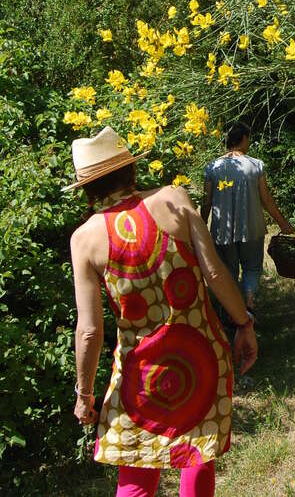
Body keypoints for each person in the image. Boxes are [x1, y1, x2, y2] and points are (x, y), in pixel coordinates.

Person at [66, 125, 257, 497]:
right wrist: (244, 324)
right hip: (201, 357)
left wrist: (84, 394)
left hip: (141, 376)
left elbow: (89, 331)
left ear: (87, 191)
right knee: (197, 454)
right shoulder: (175, 199)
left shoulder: (84, 239)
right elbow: (215, 272)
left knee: (137, 476)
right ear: (131, 170)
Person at [201, 122, 294, 313]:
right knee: (252, 267)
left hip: (222, 231)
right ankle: (249, 300)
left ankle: (232, 311)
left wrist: (201, 225)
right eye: (248, 138)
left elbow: (207, 202)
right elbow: (266, 200)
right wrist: (283, 224)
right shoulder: (255, 165)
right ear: (243, 139)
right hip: (252, 228)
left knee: (229, 271)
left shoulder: (212, 168)